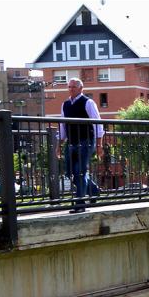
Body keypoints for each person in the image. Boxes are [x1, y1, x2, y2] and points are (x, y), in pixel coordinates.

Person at [58, 78, 103, 213]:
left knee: (80, 171)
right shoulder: (65, 104)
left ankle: (80, 204)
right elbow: (62, 125)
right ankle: (93, 190)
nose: (71, 89)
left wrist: (99, 144)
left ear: (80, 88)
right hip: (71, 142)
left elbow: (97, 123)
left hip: (86, 141)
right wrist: (59, 144)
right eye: (69, 87)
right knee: (69, 171)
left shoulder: (88, 102)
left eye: (73, 87)